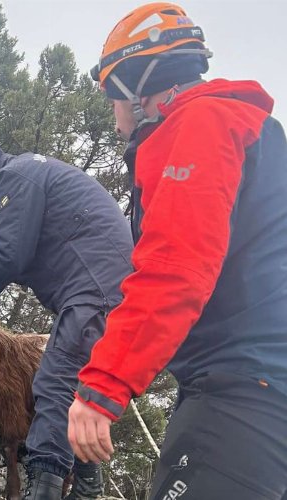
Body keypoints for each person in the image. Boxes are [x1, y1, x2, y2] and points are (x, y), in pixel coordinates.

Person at [68, 3, 287, 499]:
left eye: (111, 96)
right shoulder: (251, 129)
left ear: (132, 83)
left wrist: (103, 384)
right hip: (262, 389)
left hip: (240, 392)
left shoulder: (199, 125)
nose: (113, 111)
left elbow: (176, 268)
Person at [0, 138, 134, 500]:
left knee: (53, 381)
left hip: (94, 290)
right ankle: (88, 486)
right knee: (76, 388)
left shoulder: (13, 177)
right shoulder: (30, 172)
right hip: (103, 285)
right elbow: (31, 253)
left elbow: (11, 258)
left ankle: (44, 488)